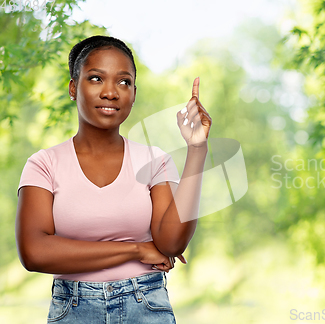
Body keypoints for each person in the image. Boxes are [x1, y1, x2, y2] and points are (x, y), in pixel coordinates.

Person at [15, 35, 212, 323]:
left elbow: (171, 244)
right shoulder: (44, 164)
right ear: (73, 87)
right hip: (73, 309)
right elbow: (34, 253)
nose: (111, 92)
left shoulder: (154, 160)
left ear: (133, 93)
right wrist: (136, 249)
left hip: (146, 306)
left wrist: (197, 149)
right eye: (96, 79)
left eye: (124, 82)